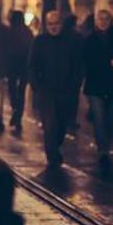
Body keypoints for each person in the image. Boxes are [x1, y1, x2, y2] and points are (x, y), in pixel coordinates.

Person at [29, 11, 84, 167]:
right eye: (50, 24)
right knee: (50, 123)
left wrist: (75, 85)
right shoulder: (39, 41)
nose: (53, 27)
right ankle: (52, 155)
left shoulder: (72, 41)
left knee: (61, 124)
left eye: (56, 24)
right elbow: (33, 64)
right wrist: (36, 85)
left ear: (62, 24)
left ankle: (55, 146)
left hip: (67, 89)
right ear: (46, 26)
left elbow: (78, 65)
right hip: (46, 90)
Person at [82, 10, 113, 163]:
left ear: (111, 21)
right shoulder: (90, 39)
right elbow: (88, 62)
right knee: (100, 117)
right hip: (96, 85)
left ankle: (105, 145)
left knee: (109, 118)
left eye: (106, 19)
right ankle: (103, 149)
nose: (103, 22)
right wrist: (110, 63)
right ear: (95, 21)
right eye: (100, 19)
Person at [3, 11, 33, 132]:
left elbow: (4, 50)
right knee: (21, 91)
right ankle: (18, 115)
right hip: (25, 66)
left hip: (12, 66)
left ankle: (15, 109)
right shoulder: (28, 32)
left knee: (12, 90)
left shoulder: (9, 32)